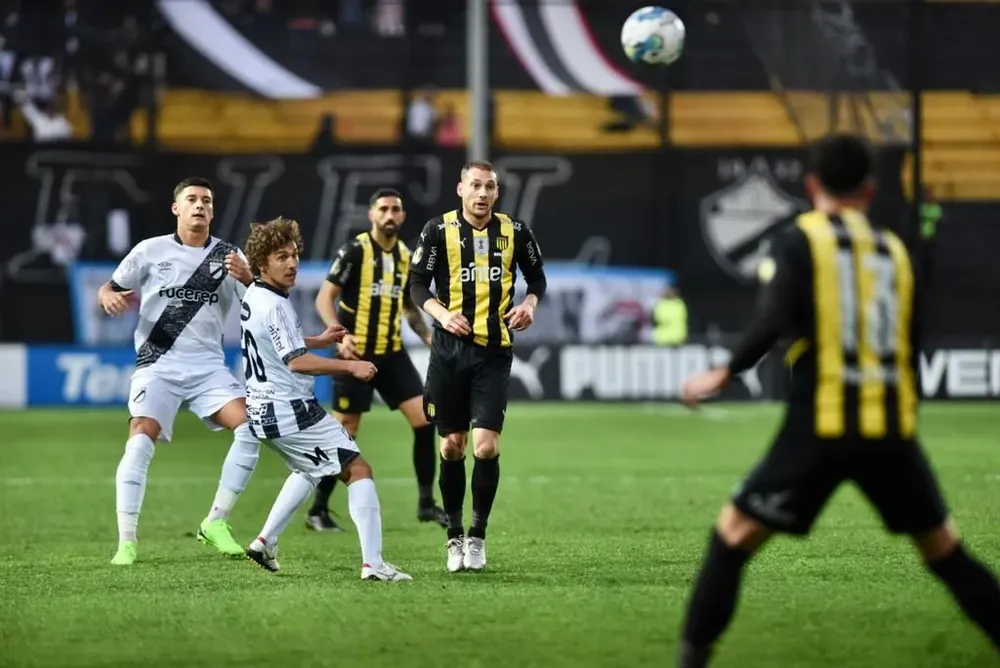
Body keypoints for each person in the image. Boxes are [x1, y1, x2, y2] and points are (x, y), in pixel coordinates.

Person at [676, 134, 1000, 667]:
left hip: (819, 426)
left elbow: (773, 317)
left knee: (733, 537)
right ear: (869, 191)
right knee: (945, 551)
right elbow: (912, 339)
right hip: (890, 430)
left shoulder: (798, 240)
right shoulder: (896, 250)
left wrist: (726, 371)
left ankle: (692, 659)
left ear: (811, 186)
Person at [98, 177, 260, 566]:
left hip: (208, 368)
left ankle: (215, 522)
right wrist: (107, 296)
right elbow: (109, 287)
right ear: (177, 208)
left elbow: (259, 304)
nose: (200, 205)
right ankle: (127, 542)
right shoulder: (149, 250)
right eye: (192, 199)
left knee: (251, 427)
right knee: (140, 438)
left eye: (207, 200)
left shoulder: (229, 256)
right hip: (158, 364)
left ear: (213, 210)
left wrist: (249, 279)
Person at [239, 216, 411, 581]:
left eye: (294, 255)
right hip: (290, 410)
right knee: (358, 469)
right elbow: (296, 361)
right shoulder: (276, 305)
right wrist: (351, 367)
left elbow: (276, 343)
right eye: (281, 257)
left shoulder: (255, 295)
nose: (292, 263)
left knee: (310, 469)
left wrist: (319, 340)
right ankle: (374, 565)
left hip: (261, 410)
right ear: (262, 264)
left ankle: (264, 542)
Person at [409, 160, 547, 572]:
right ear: (461, 189)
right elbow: (417, 284)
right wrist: (442, 313)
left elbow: (537, 279)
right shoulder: (438, 230)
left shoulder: (515, 231)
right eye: (475, 185)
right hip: (448, 352)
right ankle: (453, 537)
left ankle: (477, 537)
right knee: (452, 446)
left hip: (493, 352)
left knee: (486, 446)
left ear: (497, 192)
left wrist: (529, 304)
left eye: (489, 186)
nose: (482, 193)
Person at [308, 188, 445, 531]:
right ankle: (318, 509)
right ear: (371, 214)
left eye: (395, 209)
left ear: (402, 216)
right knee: (346, 430)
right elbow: (325, 297)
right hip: (355, 355)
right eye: (383, 209)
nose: (389, 214)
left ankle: (426, 504)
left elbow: (409, 306)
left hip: (392, 353)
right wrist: (339, 334)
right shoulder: (354, 251)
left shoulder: (406, 257)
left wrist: (428, 337)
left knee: (425, 420)